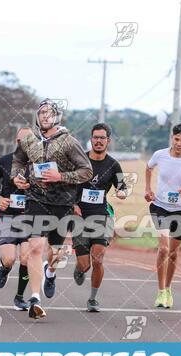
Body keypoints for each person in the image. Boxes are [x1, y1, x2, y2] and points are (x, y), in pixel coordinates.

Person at [11, 99, 93, 319]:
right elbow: (17, 161)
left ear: (57, 117)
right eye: (41, 114)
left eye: (49, 114)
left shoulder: (68, 142)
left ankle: (51, 272)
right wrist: (17, 177)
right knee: (36, 247)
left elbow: (87, 171)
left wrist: (61, 176)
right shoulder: (28, 141)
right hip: (36, 199)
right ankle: (35, 299)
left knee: (55, 251)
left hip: (63, 203)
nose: (44, 117)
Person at [72, 123, 127, 312]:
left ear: (108, 141)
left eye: (102, 138)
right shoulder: (80, 161)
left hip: (101, 216)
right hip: (79, 216)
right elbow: (67, 186)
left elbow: (122, 187)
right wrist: (73, 205)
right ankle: (79, 269)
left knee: (98, 259)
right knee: (84, 264)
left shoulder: (113, 165)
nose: (98, 141)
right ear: (91, 139)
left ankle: (93, 299)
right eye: (95, 137)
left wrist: (122, 193)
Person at [145, 123, 181, 309]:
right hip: (160, 207)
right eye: (176, 139)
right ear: (172, 138)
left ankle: (168, 289)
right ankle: (160, 292)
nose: (179, 143)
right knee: (164, 249)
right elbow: (148, 168)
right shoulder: (160, 155)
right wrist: (147, 189)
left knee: (174, 253)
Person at [0, 127, 33, 311]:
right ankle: (5, 268)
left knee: (26, 259)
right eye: (21, 141)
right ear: (16, 142)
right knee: (10, 259)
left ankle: (19, 297)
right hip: (8, 216)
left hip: (29, 218)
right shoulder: (4, 161)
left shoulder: (38, 163)